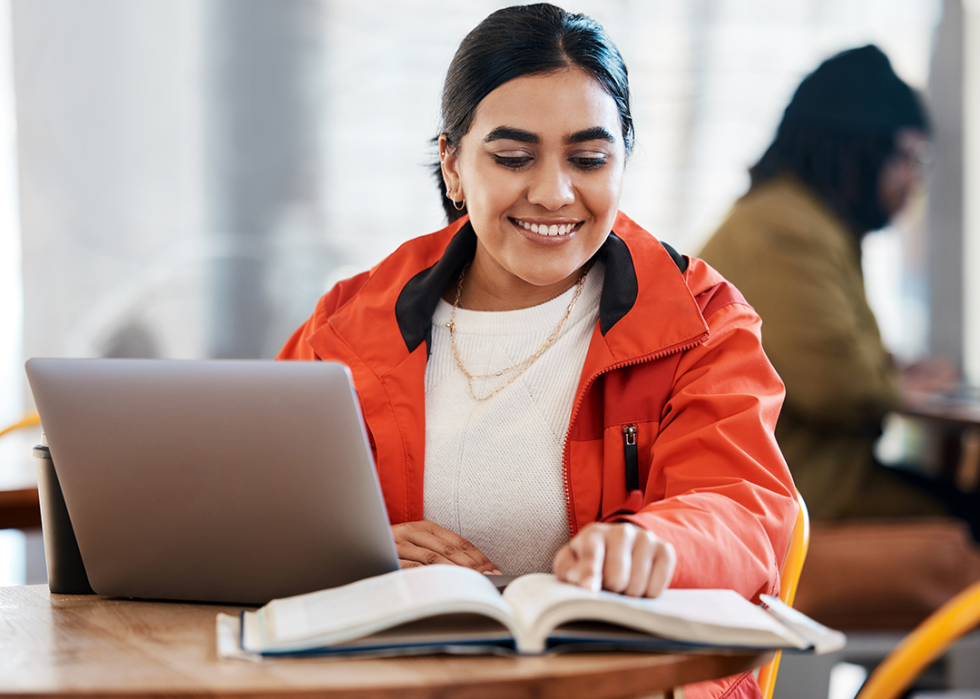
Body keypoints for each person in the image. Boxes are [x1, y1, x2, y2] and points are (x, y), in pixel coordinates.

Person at [280, 6, 795, 697]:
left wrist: (656, 546)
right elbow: (261, 502)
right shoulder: (349, 323)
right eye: (513, 157)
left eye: (589, 159)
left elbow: (743, 509)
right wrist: (357, 555)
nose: (554, 193)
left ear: (623, 160)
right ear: (453, 165)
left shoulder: (701, 320)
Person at [698, 45, 979, 537]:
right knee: (967, 516)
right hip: (799, 490)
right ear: (858, 149)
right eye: (909, 158)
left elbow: (818, 350)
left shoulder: (798, 220)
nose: (914, 180)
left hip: (806, 478)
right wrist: (893, 385)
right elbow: (834, 386)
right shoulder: (787, 229)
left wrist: (890, 368)